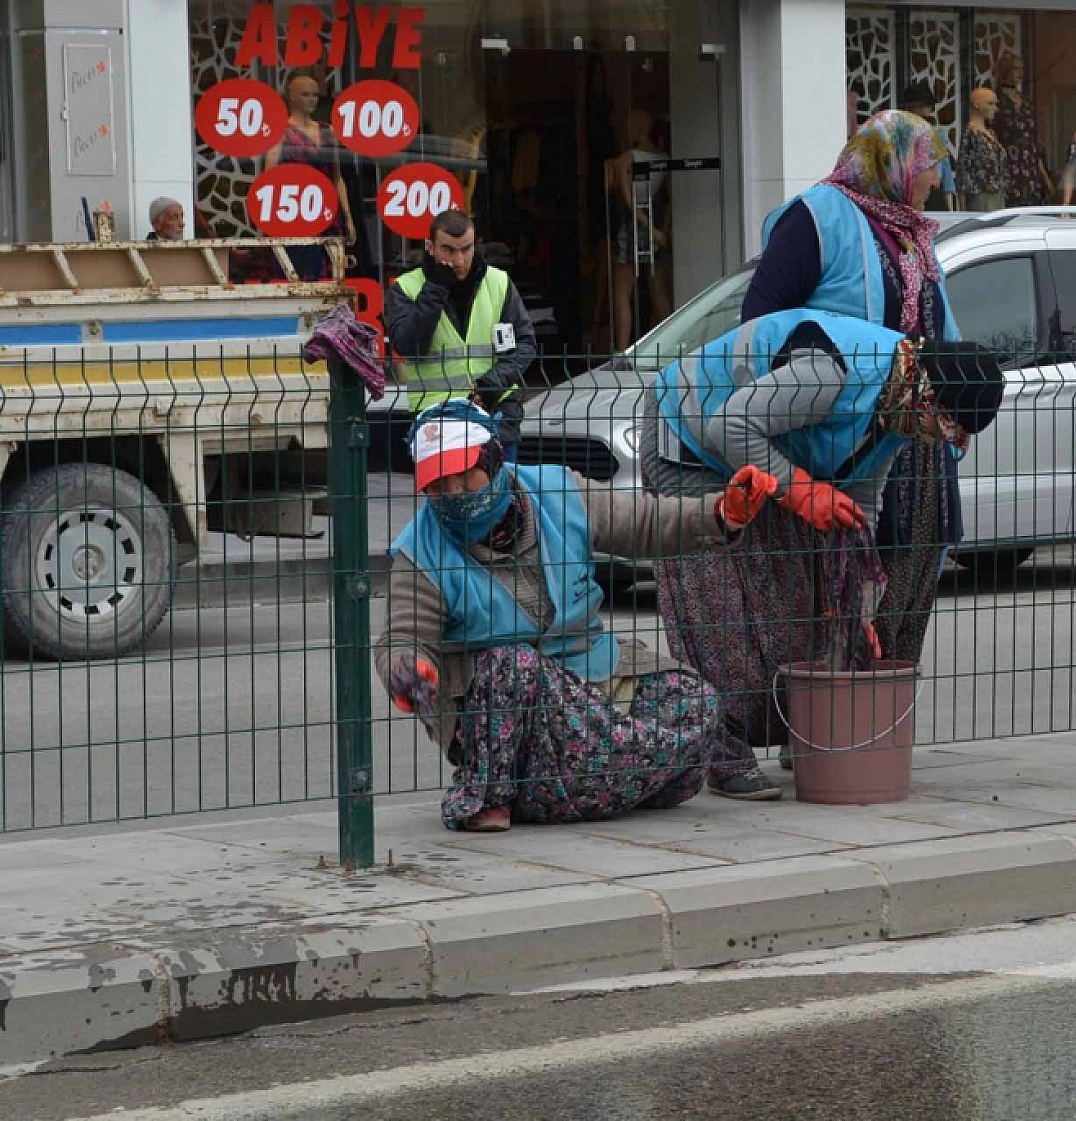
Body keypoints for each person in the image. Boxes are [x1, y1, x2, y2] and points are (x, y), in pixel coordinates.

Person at [642, 309, 1004, 800]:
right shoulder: (835, 371)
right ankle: (723, 756)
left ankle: (809, 731)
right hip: (687, 436)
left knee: (802, 599)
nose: (936, 439)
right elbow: (728, 426)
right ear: (927, 395)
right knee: (716, 603)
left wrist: (863, 604)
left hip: (758, 446)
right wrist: (799, 489)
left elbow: (862, 507)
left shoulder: (899, 413)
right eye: (942, 426)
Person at [376, 400, 780, 831]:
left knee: (696, 702)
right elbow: (404, 636)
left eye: (464, 475)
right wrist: (410, 670)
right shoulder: (418, 552)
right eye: (439, 485)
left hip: (594, 681)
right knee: (509, 664)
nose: (455, 493)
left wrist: (721, 514)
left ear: (493, 459)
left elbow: (644, 522)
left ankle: (570, 787)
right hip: (507, 724)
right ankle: (511, 793)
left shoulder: (558, 491)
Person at [740, 110, 968, 681]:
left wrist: (959, 409)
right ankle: (823, 725)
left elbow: (943, 330)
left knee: (905, 585)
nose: (935, 181)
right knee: (834, 586)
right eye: (929, 165)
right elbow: (760, 323)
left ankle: (878, 714)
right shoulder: (817, 217)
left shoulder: (913, 234)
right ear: (893, 162)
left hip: (916, 443)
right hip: (843, 440)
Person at [385, 210, 535, 457]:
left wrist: (490, 386)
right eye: (449, 250)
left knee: (503, 492)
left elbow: (525, 344)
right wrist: (435, 288)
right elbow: (409, 345)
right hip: (436, 416)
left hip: (494, 408)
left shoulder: (498, 282)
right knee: (446, 495)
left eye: (466, 249)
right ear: (430, 247)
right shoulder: (407, 287)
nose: (459, 260)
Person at [265, 74, 355, 279]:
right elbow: (269, 179)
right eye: (305, 95)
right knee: (299, 270)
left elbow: (337, 177)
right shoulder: (281, 132)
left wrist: (348, 216)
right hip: (296, 211)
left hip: (327, 211)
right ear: (293, 97)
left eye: (315, 95)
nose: (312, 100)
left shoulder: (328, 131)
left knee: (332, 271)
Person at [606, 110, 674, 350]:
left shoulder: (628, 158)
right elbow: (668, 199)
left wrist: (648, 226)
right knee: (658, 291)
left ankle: (622, 350)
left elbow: (627, 199)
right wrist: (660, 229)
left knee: (622, 292)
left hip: (632, 224)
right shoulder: (664, 158)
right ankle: (667, 345)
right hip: (654, 222)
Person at [992, 53, 1053, 208]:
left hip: (1030, 170)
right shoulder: (996, 101)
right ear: (1006, 71)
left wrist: (1044, 176)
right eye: (1015, 69)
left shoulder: (1026, 102)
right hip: (1007, 168)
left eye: (1021, 69)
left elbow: (1033, 142)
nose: (1019, 73)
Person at [896, 83, 956, 211]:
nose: (927, 108)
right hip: (911, 189)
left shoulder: (936, 133)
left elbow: (945, 168)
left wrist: (950, 204)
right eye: (922, 105)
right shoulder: (900, 133)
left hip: (934, 190)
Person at [956, 88, 1008, 213]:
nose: (995, 108)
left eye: (995, 104)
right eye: (990, 104)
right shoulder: (971, 134)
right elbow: (963, 171)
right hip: (980, 196)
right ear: (977, 104)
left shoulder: (991, 134)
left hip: (997, 194)